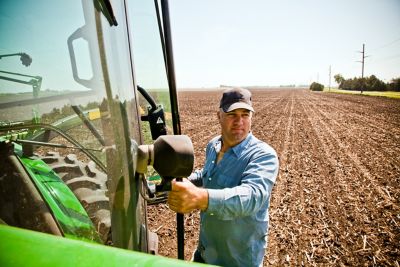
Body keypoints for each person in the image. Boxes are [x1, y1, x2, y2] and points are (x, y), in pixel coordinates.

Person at [167, 87, 279, 267]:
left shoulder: (263, 155)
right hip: (205, 253)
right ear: (218, 116)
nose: (239, 121)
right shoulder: (213, 145)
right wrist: (185, 180)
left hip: (238, 260)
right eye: (232, 114)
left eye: (245, 115)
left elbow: (252, 196)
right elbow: (206, 176)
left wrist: (199, 197)